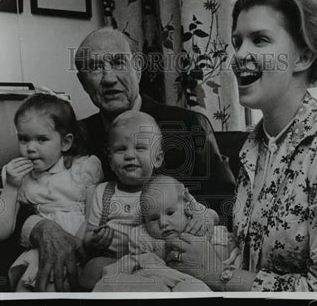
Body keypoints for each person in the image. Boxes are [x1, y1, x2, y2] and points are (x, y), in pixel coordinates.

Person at [164, 0, 317, 291]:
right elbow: (255, 255)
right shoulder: (254, 146)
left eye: (259, 40)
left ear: (303, 57)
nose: (239, 55)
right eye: (237, 42)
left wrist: (218, 273)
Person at [13, 27, 236, 291]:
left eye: (119, 62)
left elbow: (226, 201)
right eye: (95, 68)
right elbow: (28, 189)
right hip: (104, 273)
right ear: (83, 82)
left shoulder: (186, 125)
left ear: (138, 66)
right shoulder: (75, 136)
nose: (108, 78)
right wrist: (42, 228)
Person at [78, 111, 218, 290]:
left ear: (158, 158)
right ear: (110, 160)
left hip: (161, 259)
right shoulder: (102, 192)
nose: (129, 155)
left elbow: (211, 216)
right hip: (117, 260)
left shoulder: (166, 188)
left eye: (140, 148)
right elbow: (88, 235)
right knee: (92, 268)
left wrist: (203, 217)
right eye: (121, 149)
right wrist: (94, 241)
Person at [0, 93, 103, 291]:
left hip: (82, 249)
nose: (30, 148)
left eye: (42, 139)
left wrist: (77, 246)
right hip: (40, 252)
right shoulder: (19, 177)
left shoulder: (84, 169)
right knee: (29, 287)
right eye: (23, 139)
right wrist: (10, 187)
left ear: (65, 142)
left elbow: (94, 215)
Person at [92, 175, 230, 292]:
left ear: (185, 205)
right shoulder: (143, 235)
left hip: (198, 276)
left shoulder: (194, 220)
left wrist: (206, 220)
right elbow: (140, 264)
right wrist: (160, 255)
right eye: (153, 218)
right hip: (162, 278)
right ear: (144, 220)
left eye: (170, 213)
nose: (163, 223)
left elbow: (216, 229)